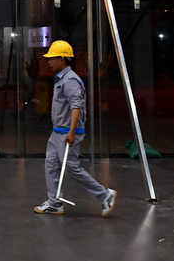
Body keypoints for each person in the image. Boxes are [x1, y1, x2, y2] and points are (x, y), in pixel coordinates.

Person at [34, 40, 116, 217]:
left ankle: (105, 195)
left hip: (66, 133)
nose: (49, 61)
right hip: (58, 131)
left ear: (62, 60)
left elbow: (76, 106)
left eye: (52, 58)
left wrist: (71, 132)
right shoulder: (61, 78)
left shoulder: (70, 80)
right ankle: (55, 203)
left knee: (71, 167)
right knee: (51, 165)